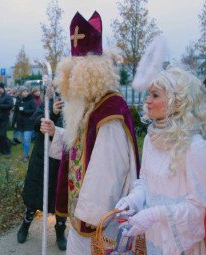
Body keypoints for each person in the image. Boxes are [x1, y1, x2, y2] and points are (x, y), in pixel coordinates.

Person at [43, 11, 140, 254]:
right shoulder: (88, 105)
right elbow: (82, 145)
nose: (70, 79)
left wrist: (87, 217)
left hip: (98, 220)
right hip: (82, 211)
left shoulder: (109, 109)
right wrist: (58, 132)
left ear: (89, 73)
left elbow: (108, 171)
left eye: (75, 72)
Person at [115, 67, 206, 254]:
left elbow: (199, 208)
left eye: (155, 95)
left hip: (181, 246)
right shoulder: (151, 138)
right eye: (148, 94)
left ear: (176, 102)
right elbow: (145, 182)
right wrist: (133, 199)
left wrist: (155, 214)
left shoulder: (195, 146)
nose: (147, 100)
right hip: (153, 240)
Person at [17, 98, 68, 250]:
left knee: (61, 196)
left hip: (63, 161)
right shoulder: (49, 102)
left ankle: (60, 230)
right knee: (34, 194)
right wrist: (52, 112)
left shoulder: (77, 104)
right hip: (42, 158)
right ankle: (26, 224)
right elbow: (36, 122)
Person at [12, 86, 36, 161]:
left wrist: (25, 111)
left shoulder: (31, 100)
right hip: (20, 123)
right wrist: (14, 122)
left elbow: (34, 110)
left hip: (28, 123)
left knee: (26, 139)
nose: (25, 92)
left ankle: (25, 156)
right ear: (20, 92)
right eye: (23, 91)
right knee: (23, 141)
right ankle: (26, 153)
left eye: (26, 91)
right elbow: (15, 112)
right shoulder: (18, 100)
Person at [0, 82, 13, 157]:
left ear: (3, 89)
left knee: (3, 135)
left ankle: (8, 151)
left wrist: (0, 106)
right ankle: (2, 150)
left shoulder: (7, 97)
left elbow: (10, 106)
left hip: (4, 118)